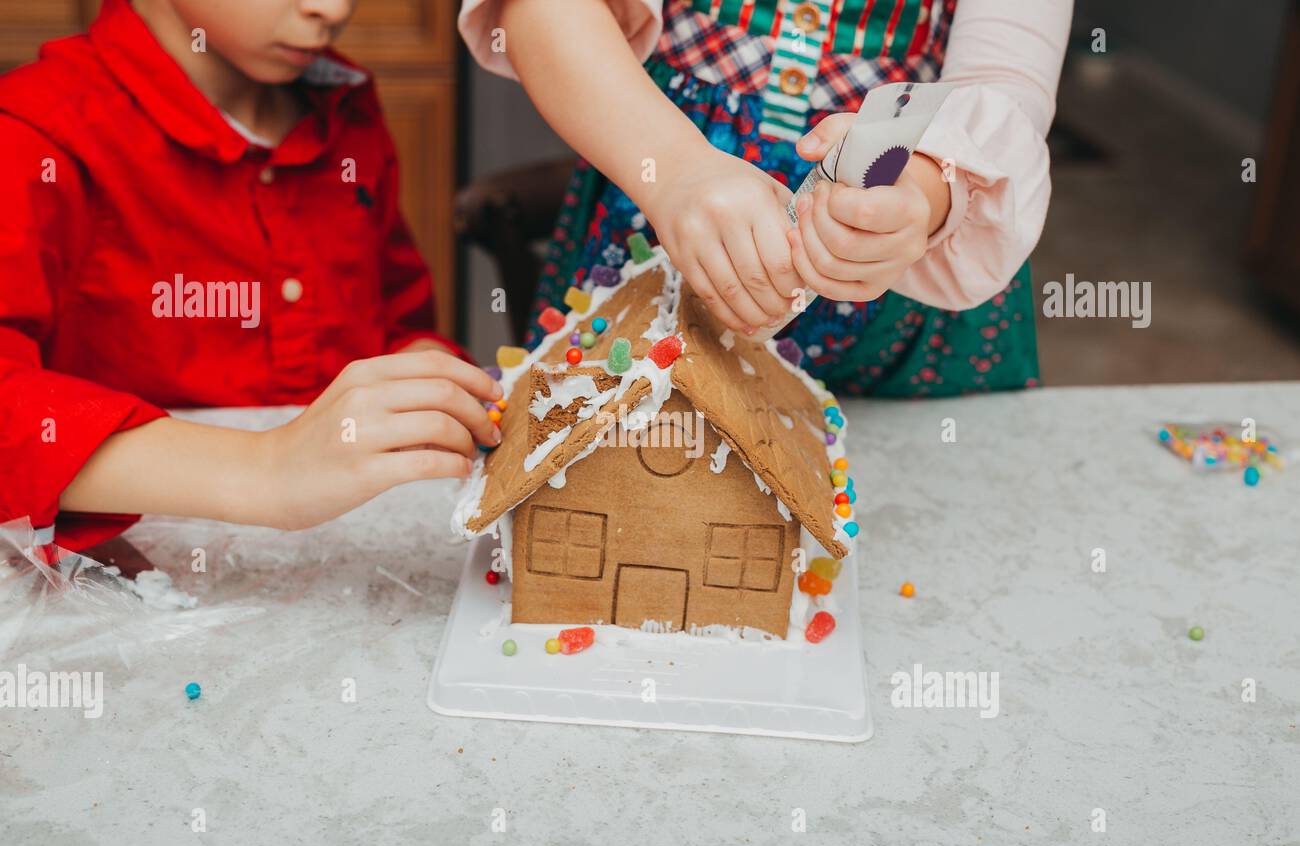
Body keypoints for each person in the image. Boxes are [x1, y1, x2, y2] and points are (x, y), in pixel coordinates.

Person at [0, 0, 500, 553]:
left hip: (354, 549)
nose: (332, 9)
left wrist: (416, 366)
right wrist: (263, 468)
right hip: (140, 572)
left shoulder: (346, 108)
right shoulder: (36, 132)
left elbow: (395, 315)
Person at [459, 0, 1070, 395]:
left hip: (906, 285)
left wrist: (926, 193)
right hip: (649, 211)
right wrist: (675, 172)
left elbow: (1008, 83)